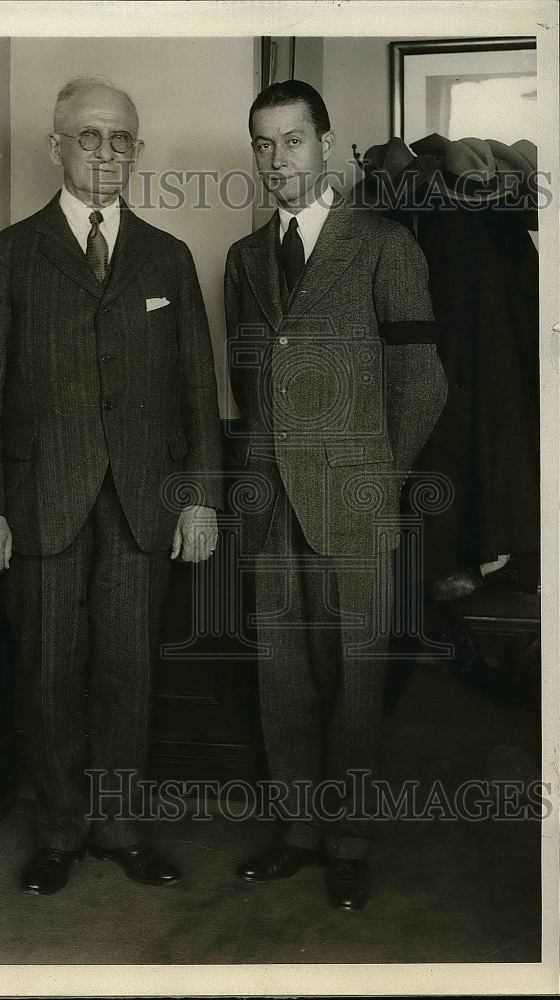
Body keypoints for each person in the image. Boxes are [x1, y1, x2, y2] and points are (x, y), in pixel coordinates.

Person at [0, 77, 222, 894]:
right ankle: (60, 829)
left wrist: (201, 496)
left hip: (144, 505)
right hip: (41, 505)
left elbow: (195, 393)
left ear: (136, 151)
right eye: (90, 136)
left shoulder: (167, 256)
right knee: (47, 671)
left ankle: (119, 825)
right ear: (56, 144)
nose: (107, 152)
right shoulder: (9, 255)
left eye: (122, 139)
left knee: (127, 673)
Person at [224, 80, 447, 909]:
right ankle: (297, 830)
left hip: (354, 499)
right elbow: (248, 380)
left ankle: (348, 840)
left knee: (355, 673)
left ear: (323, 143)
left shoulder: (384, 244)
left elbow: (421, 382)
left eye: (290, 141)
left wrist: (376, 481)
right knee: (281, 671)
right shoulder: (244, 260)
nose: (274, 160)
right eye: (261, 144)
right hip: (270, 500)